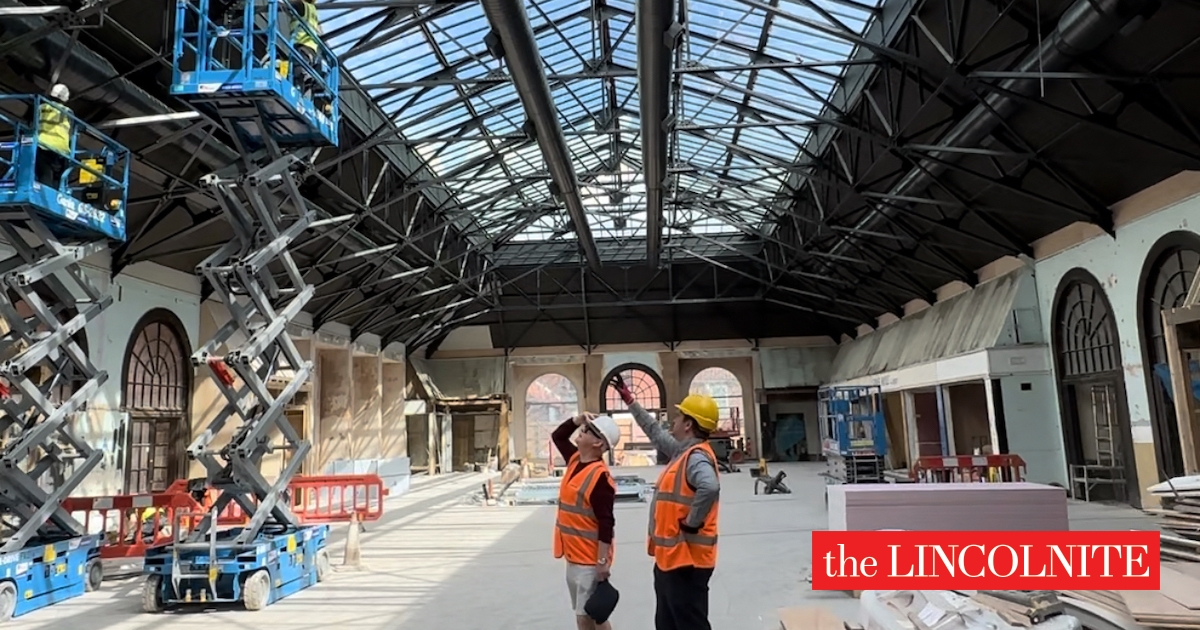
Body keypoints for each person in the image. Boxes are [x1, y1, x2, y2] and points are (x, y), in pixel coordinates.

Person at [612, 377, 720, 630]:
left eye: (679, 416)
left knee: (689, 623)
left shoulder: (696, 458)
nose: (674, 420)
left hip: (687, 561)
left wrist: (693, 523)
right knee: (667, 623)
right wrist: (631, 402)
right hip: (671, 558)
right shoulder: (682, 451)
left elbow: (710, 486)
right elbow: (655, 431)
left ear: (689, 425)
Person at [551, 412, 621, 630]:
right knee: (591, 615)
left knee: (586, 617)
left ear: (598, 442)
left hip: (589, 561)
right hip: (573, 555)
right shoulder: (575, 460)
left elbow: (606, 524)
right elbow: (558, 436)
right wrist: (577, 420)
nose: (582, 431)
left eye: (588, 430)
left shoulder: (600, 479)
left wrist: (601, 563)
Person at [288, 0, 328, 112]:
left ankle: (302, 87)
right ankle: (305, 101)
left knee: (298, 71)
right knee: (304, 76)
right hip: (312, 49)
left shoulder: (302, 6)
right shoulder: (313, 10)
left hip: (301, 44)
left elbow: (287, 3)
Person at [35, 83, 73, 189]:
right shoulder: (68, 112)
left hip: (42, 144)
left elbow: (32, 123)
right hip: (61, 149)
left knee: (44, 175)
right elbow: (72, 133)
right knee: (58, 180)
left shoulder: (41, 107)